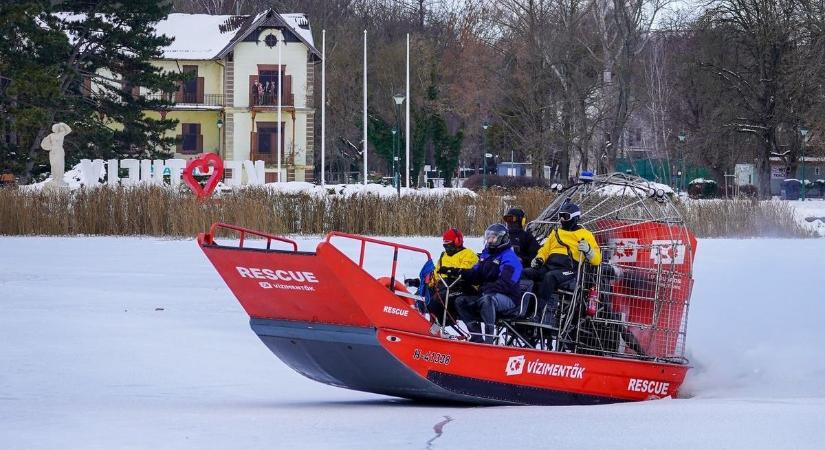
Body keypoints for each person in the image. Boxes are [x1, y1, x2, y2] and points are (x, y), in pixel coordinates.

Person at [525, 202, 601, 324]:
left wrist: (588, 250)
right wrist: (539, 259)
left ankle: (538, 313)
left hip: (568, 269)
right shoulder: (555, 233)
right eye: (560, 216)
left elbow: (597, 260)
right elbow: (545, 250)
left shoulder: (585, 235)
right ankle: (520, 307)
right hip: (550, 265)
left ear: (575, 218)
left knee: (550, 277)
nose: (562, 220)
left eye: (565, 216)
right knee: (526, 273)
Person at [452, 224, 523, 344]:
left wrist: (486, 289)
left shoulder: (510, 258)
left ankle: (489, 340)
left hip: (509, 297)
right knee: (460, 301)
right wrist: (461, 272)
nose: (490, 240)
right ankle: (477, 336)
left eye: (493, 238)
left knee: (487, 300)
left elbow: (506, 283)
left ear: (502, 238)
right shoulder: (486, 255)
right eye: (488, 237)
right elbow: (476, 274)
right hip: (487, 293)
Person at [407, 228, 479, 326]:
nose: (447, 247)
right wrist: (420, 283)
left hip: (461, 287)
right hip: (443, 286)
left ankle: (439, 325)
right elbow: (436, 275)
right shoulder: (444, 255)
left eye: (449, 243)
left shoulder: (468, 255)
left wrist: (449, 271)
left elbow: (465, 273)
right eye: (445, 244)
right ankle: (413, 324)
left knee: (436, 301)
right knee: (420, 296)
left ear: (457, 241)